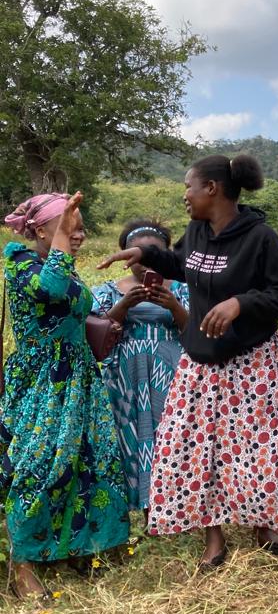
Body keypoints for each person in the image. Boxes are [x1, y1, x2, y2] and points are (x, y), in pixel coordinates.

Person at [99, 154, 278, 570]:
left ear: (212, 189)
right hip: (200, 359)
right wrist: (141, 253)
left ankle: (264, 525)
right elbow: (180, 264)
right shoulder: (196, 231)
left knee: (251, 447)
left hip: (250, 361)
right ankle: (214, 538)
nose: (184, 195)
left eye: (189, 186)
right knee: (193, 447)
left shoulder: (261, 239)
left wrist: (240, 303)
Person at [1, 192, 129, 598]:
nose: (78, 235)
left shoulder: (67, 269)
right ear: (40, 230)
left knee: (85, 461)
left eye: (80, 227)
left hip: (79, 379)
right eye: (68, 227)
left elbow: (74, 309)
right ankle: (22, 564)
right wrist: (60, 243)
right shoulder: (19, 263)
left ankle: (76, 546)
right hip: (42, 381)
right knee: (37, 464)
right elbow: (50, 289)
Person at [91, 219, 189, 518]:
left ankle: (174, 506)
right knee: (130, 436)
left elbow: (196, 331)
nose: (145, 260)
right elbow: (96, 334)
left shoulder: (183, 289)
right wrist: (124, 306)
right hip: (124, 375)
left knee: (173, 435)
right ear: (126, 255)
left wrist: (173, 307)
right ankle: (138, 507)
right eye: (139, 253)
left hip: (171, 372)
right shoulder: (108, 290)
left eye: (155, 252)